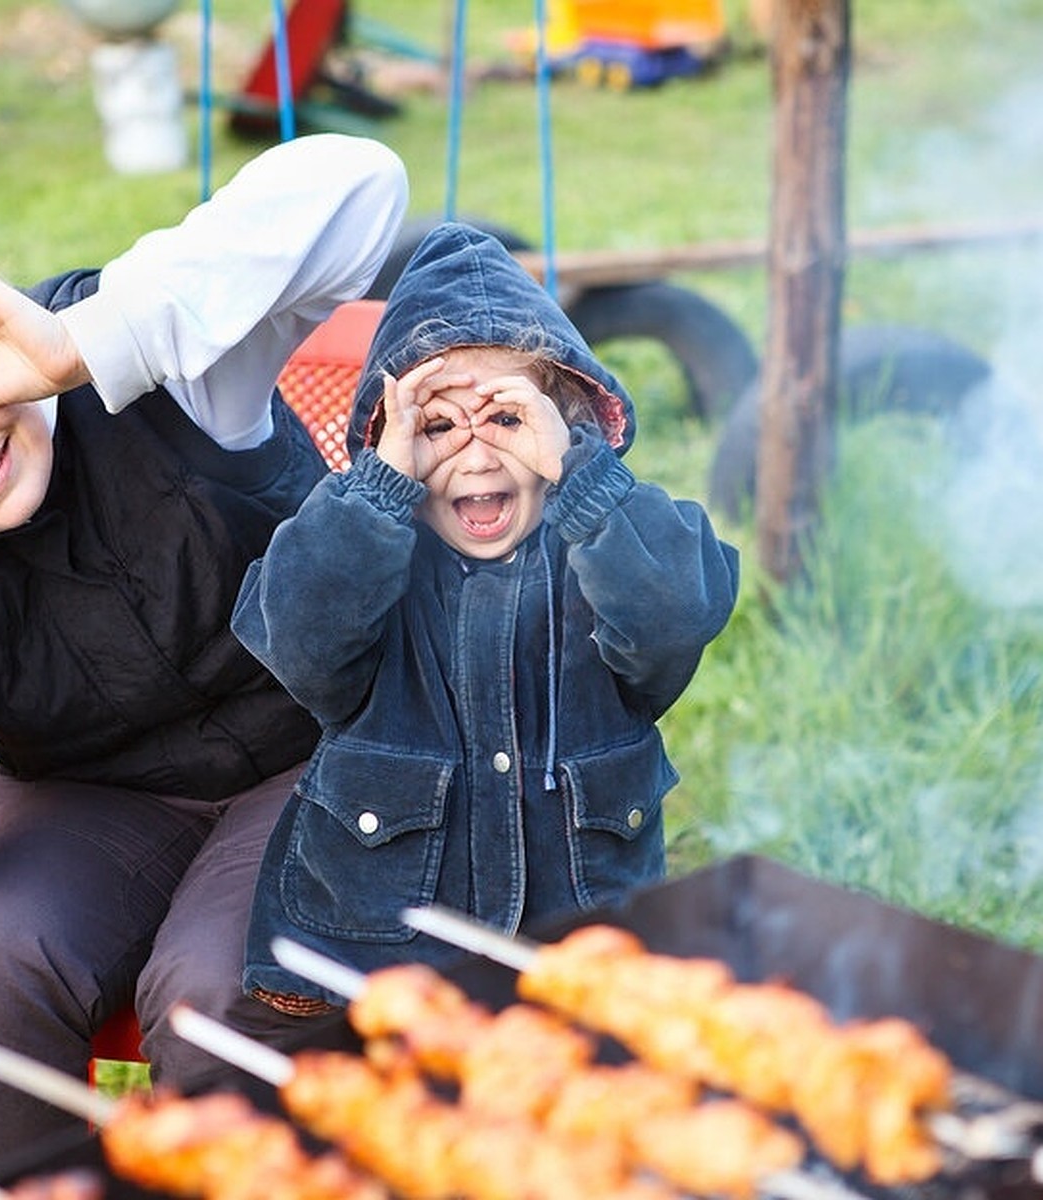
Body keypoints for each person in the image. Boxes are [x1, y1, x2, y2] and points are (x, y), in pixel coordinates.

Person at [0, 133, 407, 1177]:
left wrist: (82, 342)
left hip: (325, 751)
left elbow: (362, 181)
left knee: (219, 985)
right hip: (93, 795)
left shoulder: (155, 360)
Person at [231, 222, 741, 1007]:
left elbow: (675, 616)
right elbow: (298, 639)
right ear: (387, 445)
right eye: (436, 426)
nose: (474, 454)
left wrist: (584, 479)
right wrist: (377, 489)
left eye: (508, 419)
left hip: (575, 967)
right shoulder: (365, 554)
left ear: (566, 427)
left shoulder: (605, 543)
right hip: (373, 970)